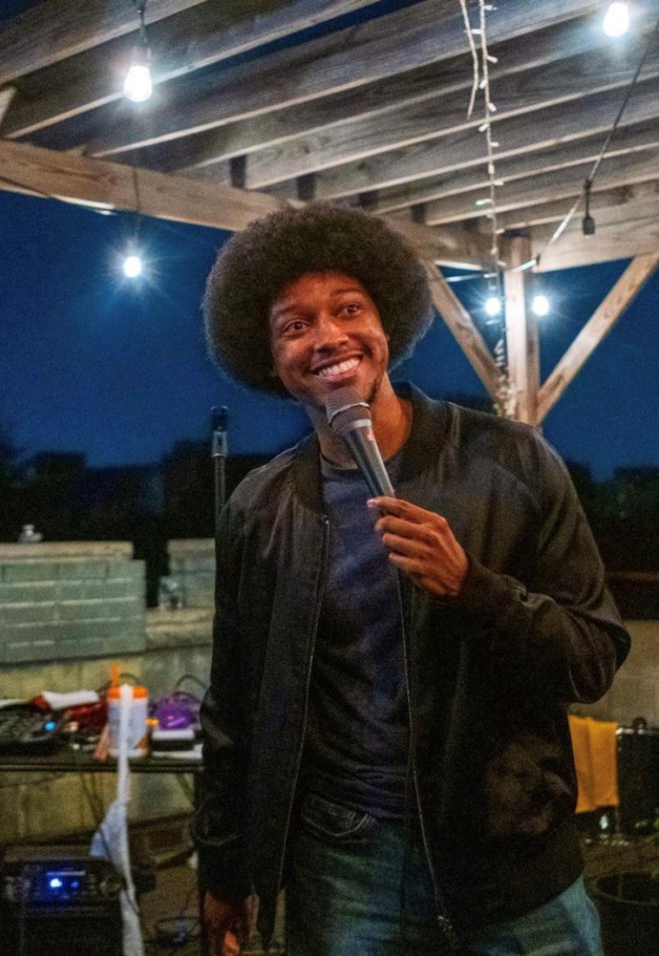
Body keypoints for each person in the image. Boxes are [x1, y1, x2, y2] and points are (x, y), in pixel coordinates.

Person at [192, 203, 631, 955]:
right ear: (270, 359)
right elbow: (234, 701)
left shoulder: (513, 463)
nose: (327, 335)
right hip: (343, 866)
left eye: (348, 309)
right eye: (294, 324)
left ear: (387, 325)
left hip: (508, 857)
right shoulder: (260, 509)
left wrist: (474, 590)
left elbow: (591, 656)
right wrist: (226, 867)